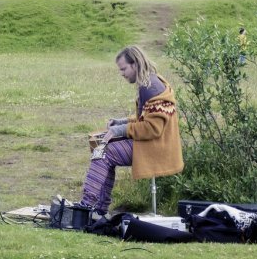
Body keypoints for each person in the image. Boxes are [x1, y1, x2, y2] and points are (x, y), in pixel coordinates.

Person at [77, 45, 183, 216]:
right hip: (153, 144)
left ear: (135, 64)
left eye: (123, 68)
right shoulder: (150, 81)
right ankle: (98, 209)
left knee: (103, 153)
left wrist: (120, 130)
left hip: (156, 148)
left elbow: (152, 128)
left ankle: (86, 207)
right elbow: (145, 118)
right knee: (104, 151)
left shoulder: (150, 87)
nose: (122, 73)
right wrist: (121, 122)